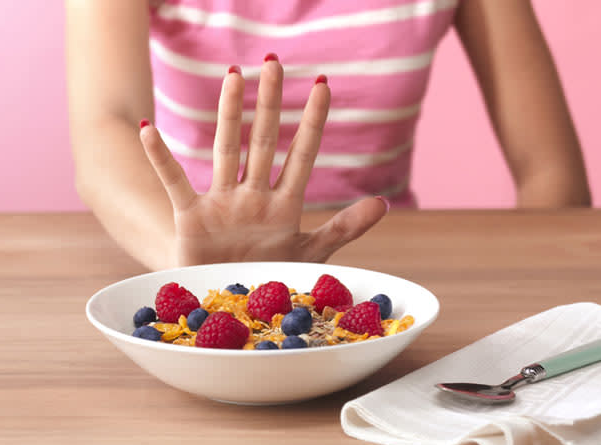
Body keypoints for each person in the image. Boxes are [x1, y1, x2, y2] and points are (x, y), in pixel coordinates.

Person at [65, 0, 591, 271]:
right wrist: (196, 262)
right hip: (188, 263)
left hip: (393, 280)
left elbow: (550, 173)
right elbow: (105, 127)